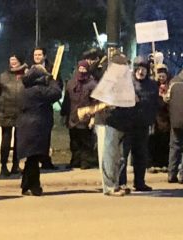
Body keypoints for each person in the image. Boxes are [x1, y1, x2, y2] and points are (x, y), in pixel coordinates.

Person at [17, 64, 62, 196]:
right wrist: (52, 80)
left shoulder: (26, 89)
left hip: (27, 126)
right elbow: (57, 93)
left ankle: (26, 185)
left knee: (32, 158)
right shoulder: (38, 91)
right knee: (34, 158)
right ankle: (34, 187)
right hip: (36, 127)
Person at [94, 52, 134, 196]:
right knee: (110, 154)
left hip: (125, 121)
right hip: (111, 121)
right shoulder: (109, 80)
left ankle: (116, 183)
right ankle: (110, 186)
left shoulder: (126, 80)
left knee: (120, 156)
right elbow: (102, 99)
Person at [121, 56, 158, 192]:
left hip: (143, 125)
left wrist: (152, 121)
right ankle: (122, 182)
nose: (141, 72)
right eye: (138, 69)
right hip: (128, 124)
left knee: (141, 155)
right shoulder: (127, 83)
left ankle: (140, 182)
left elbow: (155, 105)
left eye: (143, 69)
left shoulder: (152, 85)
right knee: (123, 156)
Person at [0, 53, 28, 176]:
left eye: (15, 60)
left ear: (20, 61)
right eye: (11, 59)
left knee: (19, 140)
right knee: (5, 140)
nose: (12, 62)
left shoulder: (26, 75)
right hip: (5, 111)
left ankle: (15, 165)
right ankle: (3, 166)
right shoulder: (3, 76)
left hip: (22, 112)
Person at [60, 60, 97, 169]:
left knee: (85, 142)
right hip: (73, 117)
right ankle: (75, 161)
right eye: (80, 68)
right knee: (74, 141)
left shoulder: (92, 84)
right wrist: (64, 114)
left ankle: (85, 162)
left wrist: (93, 118)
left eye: (84, 69)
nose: (81, 71)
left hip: (86, 116)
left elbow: (95, 102)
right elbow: (67, 100)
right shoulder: (71, 83)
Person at [32, 47, 63, 169]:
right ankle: (35, 160)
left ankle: (45, 159)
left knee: (45, 134)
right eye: (35, 55)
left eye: (39, 54)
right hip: (34, 106)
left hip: (46, 106)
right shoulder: (31, 69)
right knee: (35, 135)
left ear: (44, 56)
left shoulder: (53, 69)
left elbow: (59, 85)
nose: (37, 57)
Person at [147, 64, 171, 173]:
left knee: (165, 142)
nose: (161, 78)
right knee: (154, 141)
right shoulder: (153, 87)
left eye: (163, 76)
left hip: (166, 119)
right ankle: (154, 163)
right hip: (156, 119)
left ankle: (164, 163)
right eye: (160, 76)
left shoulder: (170, 86)